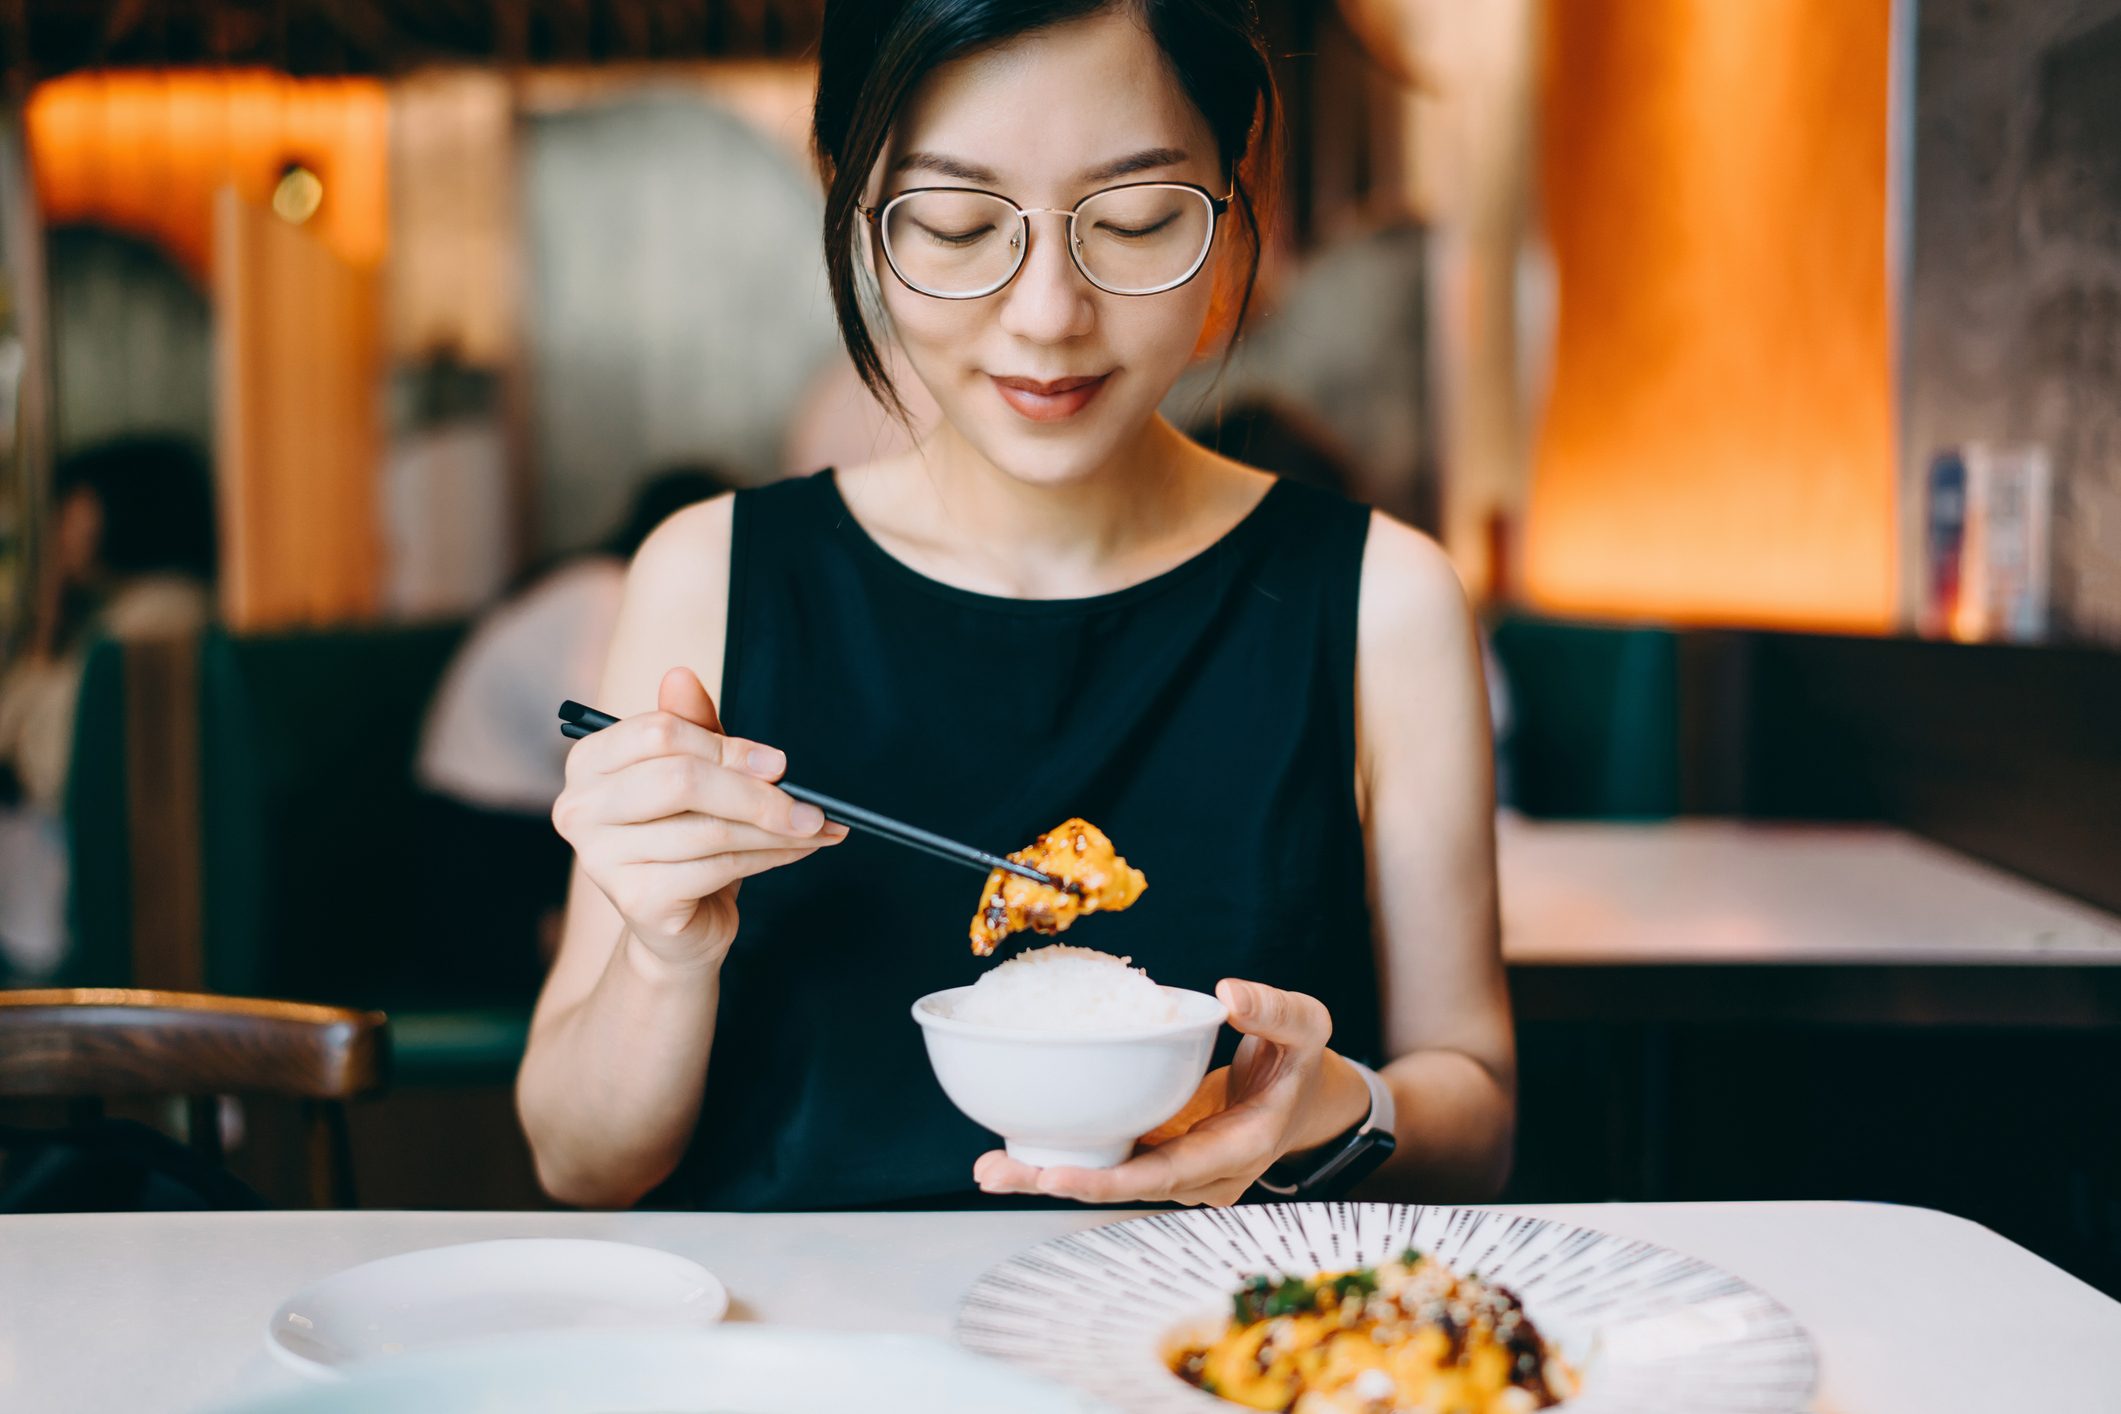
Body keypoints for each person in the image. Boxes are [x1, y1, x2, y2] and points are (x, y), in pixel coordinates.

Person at [518, 0, 1513, 1213]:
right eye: (957, 222)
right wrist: (668, 953)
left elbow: (1478, 1110)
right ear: (855, 203)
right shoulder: (709, 572)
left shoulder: (1382, 599)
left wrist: (1336, 1105)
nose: (1047, 314)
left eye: (1138, 220)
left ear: (1231, 189)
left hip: (1187, 1372)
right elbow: (577, 1163)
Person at [412, 467, 730, 995]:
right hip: (482, 838)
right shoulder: (604, 593)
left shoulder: (588, 580)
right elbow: (599, 733)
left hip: (491, 821)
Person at [0, 437, 216, 981]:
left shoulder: (142, 633)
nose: (62, 530)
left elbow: (50, 772)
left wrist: (47, 637)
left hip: (80, 920)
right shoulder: (145, 620)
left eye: (75, 507)